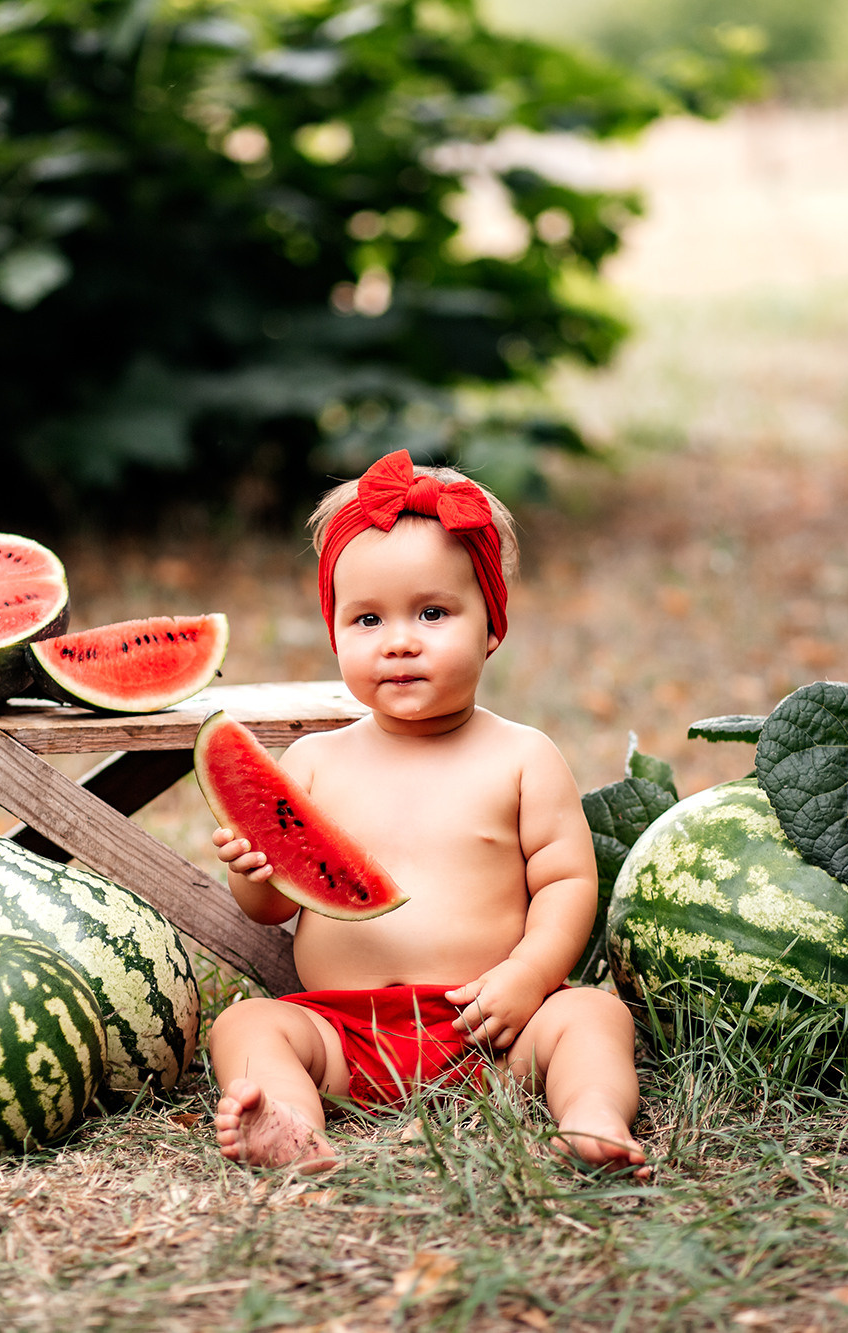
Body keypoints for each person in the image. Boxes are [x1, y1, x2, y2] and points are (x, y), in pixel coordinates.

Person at [207, 449, 647, 1176]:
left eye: (433, 612)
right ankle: (290, 1124)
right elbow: (267, 907)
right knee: (249, 1023)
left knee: (595, 1017)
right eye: (368, 619)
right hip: (344, 1033)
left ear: (492, 627)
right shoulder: (314, 760)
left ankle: (591, 1116)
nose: (401, 640)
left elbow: (569, 884)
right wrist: (252, 872)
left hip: (493, 1026)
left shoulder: (523, 755)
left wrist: (530, 977)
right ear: (336, 635)